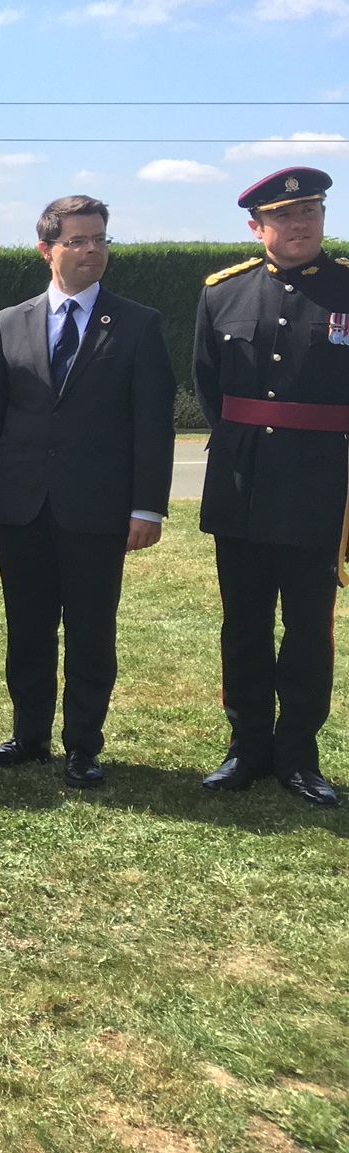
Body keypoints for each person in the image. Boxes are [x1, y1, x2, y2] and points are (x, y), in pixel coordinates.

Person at [0, 195, 174, 788]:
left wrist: (147, 505)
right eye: (78, 241)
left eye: (100, 239)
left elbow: (153, 424)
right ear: (47, 251)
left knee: (90, 631)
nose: (92, 251)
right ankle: (29, 736)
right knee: (27, 627)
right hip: (22, 505)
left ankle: (84, 744)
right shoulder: (9, 323)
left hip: (99, 508)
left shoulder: (139, 324)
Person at [193, 166, 347, 808]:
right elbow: (209, 387)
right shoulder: (222, 293)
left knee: (309, 625)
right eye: (285, 216)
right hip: (243, 482)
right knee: (245, 622)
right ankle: (247, 745)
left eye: (310, 211)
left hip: (320, 485)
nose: (300, 223)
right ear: (257, 227)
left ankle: (299, 753)